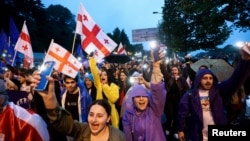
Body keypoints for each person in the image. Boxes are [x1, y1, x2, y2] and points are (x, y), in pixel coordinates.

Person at [177, 43, 250, 141]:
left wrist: (245, 60)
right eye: (205, 78)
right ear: (199, 79)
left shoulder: (219, 91)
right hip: (198, 133)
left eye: (210, 78)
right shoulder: (190, 94)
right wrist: (180, 129)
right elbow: (183, 113)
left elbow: (236, 79)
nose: (208, 81)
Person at [30, 73, 126, 141]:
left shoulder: (119, 137)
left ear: (108, 118)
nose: (93, 120)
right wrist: (50, 100)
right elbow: (60, 121)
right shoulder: (82, 130)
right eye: (91, 114)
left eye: (100, 116)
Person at [122, 49, 167, 141]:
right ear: (133, 99)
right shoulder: (128, 115)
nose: (141, 99)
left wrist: (156, 66)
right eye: (138, 96)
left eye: (144, 96)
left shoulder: (154, 110)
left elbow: (157, 93)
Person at [89, 56, 120, 128]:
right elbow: (94, 73)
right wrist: (92, 60)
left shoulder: (114, 86)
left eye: (105, 75)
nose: (102, 76)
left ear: (108, 76)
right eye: (101, 75)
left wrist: (105, 87)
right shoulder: (99, 85)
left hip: (111, 116)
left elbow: (113, 99)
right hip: (100, 113)